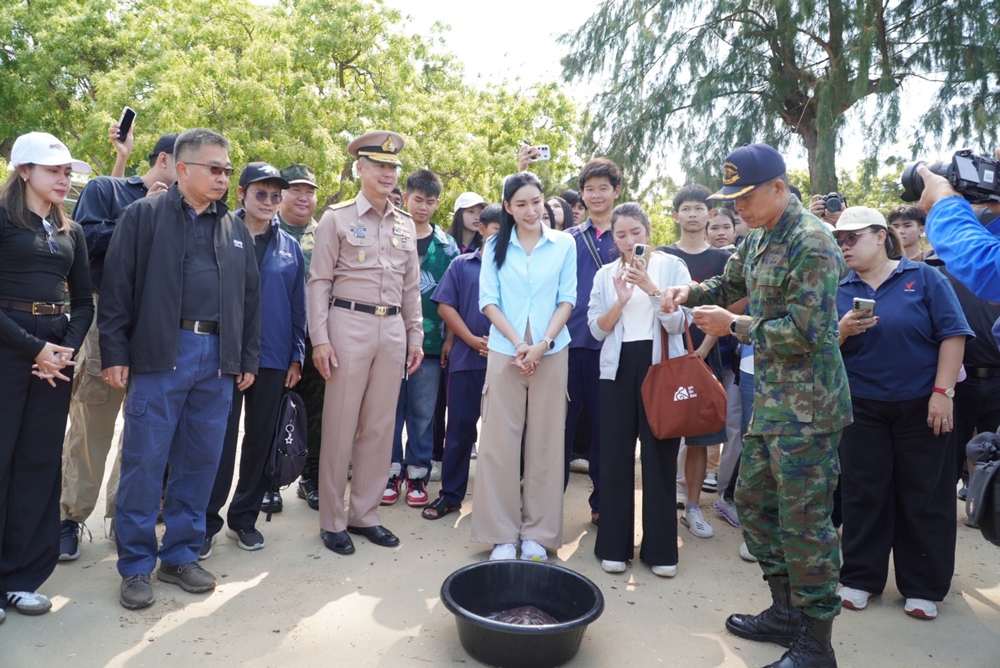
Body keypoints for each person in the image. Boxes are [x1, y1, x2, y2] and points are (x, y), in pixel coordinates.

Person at [661, 143, 851, 667]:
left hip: (809, 409)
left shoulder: (811, 241)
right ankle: (785, 613)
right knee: (757, 508)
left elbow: (812, 332)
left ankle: (817, 645)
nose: (737, 208)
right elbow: (730, 281)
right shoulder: (761, 234)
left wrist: (734, 326)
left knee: (806, 522)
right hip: (771, 401)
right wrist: (690, 291)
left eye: (746, 197)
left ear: (778, 188)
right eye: (733, 198)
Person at [99, 128, 261, 610]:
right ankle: (134, 566)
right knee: (144, 463)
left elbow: (250, 300)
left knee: (200, 461)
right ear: (183, 169)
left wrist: (245, 358)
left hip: (216, 360)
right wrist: (115, 353)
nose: (224, 178)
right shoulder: (142, 216)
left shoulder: (234, 229)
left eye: (228, 170)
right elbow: (116, 291)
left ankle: (181, 556)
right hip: (158, 353)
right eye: (215, 168)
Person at [833, 207, 970, 621]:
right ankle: (860, 578)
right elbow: (820, 349)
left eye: (853, 237)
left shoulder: (925, 277)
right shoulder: (839, 287)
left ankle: (923, 585)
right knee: (863, 492)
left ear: (880, 236)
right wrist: (841, 331)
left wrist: (942, 393)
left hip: (922, 405)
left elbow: (953, 334)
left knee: (924, 494)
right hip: (861, 406)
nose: (845, 246)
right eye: (840, 240)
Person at [58, 128, 178, 561]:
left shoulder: (183, 208)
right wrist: (146, 210)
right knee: (92, 420)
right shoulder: (106, 189)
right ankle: (70, 517)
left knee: (144, 429)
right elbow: (85, 243)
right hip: (105, 315)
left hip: (155, 323)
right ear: (165, 160)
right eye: (186, 166)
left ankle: (123, 516)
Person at [307, 130, 423, 556]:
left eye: (393, 167)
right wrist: (319, 339)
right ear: (360, 168)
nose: (388, 173)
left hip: (392, 330)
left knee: (380, 426)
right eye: (379, 165)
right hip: (347, 323)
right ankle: (333, 520)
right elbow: (318, 282)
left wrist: (415, 335)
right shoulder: (335, 218)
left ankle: (365, 514)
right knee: (339, 425)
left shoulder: (405, 224)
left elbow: (411, 288)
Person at [0, 133, 94, 620]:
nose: (65, 178)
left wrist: (61, 351)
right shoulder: (1, 219)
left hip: (55, 358)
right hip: (8, 348)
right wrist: (33, 347)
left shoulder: (70, 231)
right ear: (23, 172)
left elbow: (83, 302)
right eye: (54, 170)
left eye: (67, 171)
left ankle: (20, 578)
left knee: (38, 464)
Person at [472, 171, 576, 562]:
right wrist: (519, 344)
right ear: (508, 208)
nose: (530, 210)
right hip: (505, 351)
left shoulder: (564, 244)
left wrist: (543, 344)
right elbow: (488, 301)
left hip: (551, 350)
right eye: (521, 204)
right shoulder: (495, 245)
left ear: (544, 200)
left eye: (536, 202)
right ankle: (500, 533)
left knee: (546, 444)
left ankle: (538, 533)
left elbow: (568, 299)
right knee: (498, 444)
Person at [203, 163, 305, 557]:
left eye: (275, 196)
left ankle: (242, 518)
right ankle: (206, 522)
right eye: (260, 194)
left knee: (261, 440)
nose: (268, 202)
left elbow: (299, 309)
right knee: (218, 442)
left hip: (275, 356)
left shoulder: (290, 247)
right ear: (242, 193)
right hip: (223, 355)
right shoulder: (219, 232)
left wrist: (297, 356)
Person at [588, 203, 689, 576]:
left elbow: (679, 324)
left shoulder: (672, 267)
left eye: (636, 232)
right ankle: (614, 544)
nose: (629, 241)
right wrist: (621, 299)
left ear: (649, 231)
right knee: (615, 455)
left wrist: (650, 289)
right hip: (617, 370)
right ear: (612, 238)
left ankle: (661, 550)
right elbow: (596, 329)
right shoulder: (605, 274)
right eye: (621, 234)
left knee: (659, 456)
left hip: (660, 366)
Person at [659, 184, 733, 539]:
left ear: (710, 214)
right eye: (685, 208)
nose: (692, 214)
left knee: (702, 436)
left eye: (699, 208)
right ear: (675, 215)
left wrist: (702, 349)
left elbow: (729, 311)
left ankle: (692, 507)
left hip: (706, 355)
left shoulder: (723, 260)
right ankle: (659, 503)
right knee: (663, 428)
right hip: (664, 359)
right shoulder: (661, 256)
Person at [422, 204, 502, 519]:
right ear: (482, 228)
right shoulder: (462, 264)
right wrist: (467, 339)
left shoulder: (519, 268)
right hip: (467, 360)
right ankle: (451, 495)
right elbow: (445, 306)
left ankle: (496, 501)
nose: (502, 236)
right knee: (458, 431)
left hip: (505, 362)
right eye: (496, 229)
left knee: (501, 435)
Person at [384, 169, 458, 508]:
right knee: (387, 410)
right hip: (385, 337)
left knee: (423, 412)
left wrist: (449, 340)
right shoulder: (387, 233)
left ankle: (417, 476)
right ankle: (388, 473)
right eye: (418, 200)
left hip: (429, 344)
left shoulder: (447, 246)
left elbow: (454, 298)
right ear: (407, 197)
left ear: (437, 203)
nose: (423, 207)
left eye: (430, 202)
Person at [565, 158, 622, 524]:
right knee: (559, 429)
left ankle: (603, 504)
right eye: (590, 189)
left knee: (607, 432)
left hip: (613, 347)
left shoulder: (628, 237)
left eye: (604, 188)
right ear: (582, 195)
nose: (596, 194)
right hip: (569, 344)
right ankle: (545, 502)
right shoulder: (567, 240)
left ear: (617, 192)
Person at [276, 163, 322, 512]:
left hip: (317, 335)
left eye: (310, 190)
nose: (304, 197)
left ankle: (311, 478)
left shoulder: (325, 234)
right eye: (297, 189)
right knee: (270, 410)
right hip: (275, 335)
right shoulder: (264, 228)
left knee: (316, 411)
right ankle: (269, 479)